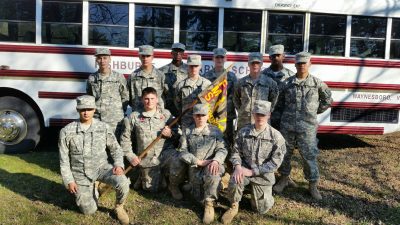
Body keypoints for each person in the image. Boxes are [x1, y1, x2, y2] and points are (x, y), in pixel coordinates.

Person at [58, 95, 130, 225]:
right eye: (82, 109)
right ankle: (94, 187)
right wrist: (69, 181)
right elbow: (64, 160)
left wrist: (119, 164)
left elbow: (116, 149)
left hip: (101, 168)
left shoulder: (103, 127)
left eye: (89, 109)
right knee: (89, 210)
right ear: (77, 110)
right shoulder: (66, 131)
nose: (86, 112)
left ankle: (119, 207)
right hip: (80, 173)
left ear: (94, 110)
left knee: (123, 182)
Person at [273, 52, 332, 200]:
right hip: (287, 126)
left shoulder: (317, 84)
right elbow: (278, 104)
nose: (302, 65)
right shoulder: (286, 84)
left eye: (304, 63)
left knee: (309, 156)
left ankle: (312, 185)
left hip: (307, 128)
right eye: (299, 63)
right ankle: (284, 178)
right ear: (295, 64)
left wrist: (313, 113)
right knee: (284, 154)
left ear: (310, 64)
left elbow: (327, 101)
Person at [221, 100, 286, 224]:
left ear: (269, 115)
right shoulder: (243, 132)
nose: (260, 117)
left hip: (263, 176)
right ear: (253, 114)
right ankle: (233, 207)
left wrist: (253, 172)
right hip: (244, 171)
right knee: (235, 178)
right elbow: (235, 152)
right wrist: (238, 166)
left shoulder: (276, 137)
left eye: (263, 114)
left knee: (260, 209)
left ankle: (266, 196)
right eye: (257, 114)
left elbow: (275, 163)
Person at [120, 87, 182, 197]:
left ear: (157, 99)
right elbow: (125, 140)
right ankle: (143, 176)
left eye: (152, 98)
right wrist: (131, 156)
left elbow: (178, 134)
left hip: (165, 153)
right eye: (146, 99)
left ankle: (173, 186)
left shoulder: (166, 115)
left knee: (179, 161)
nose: (150, 102)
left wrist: (171, 134)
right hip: (147, 156)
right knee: (152, 189)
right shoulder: (134, 117)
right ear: (142, 100)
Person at [177, 103, 228, 224]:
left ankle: (209, 204)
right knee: (197, 197)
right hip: (196, 166)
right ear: (194, 116)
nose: (200, 117)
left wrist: (216, 160)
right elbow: (182, 151)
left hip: (212, 165)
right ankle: (220, 184)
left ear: (207, 116)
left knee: (212, 174)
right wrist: (197, 162)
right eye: (197, 115)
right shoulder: (187, 131)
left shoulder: (215, 131)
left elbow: (223, 149)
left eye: (203, 115)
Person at [86, 48, 129, 138]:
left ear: (110, 59)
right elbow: (90, 97)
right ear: (96, 60)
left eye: (105, 58)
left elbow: (125, 97)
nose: (102, 61)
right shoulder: (92, 78)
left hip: (115, 120)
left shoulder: (118, 77)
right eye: (99, 58)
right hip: (97, 119)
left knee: (115, 148)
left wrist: (117, 111)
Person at [233, 52, 279, 130]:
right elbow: (236, 99)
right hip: (244, 122)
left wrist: (267, 111)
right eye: (252, 63)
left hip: (262, 121)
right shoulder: (241, 82)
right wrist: (243, 110)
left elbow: (274, 99)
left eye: (257, 63)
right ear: (248, 64)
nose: (255, 65)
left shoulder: (269, 82)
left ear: (261, 64)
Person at [202, 48, 237, 145]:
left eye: (222, 57)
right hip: (211, 115)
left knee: (227, 139)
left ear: (225, 59)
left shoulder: (231, 76)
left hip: (227, 115)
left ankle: (227, 158)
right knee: (210, 138)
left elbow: (236, 96)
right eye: (217, 57)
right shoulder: (206, 76)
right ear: (213, 59)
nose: (219, 60)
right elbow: (204, 97)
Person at [262, 44, 295, 128]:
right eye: (273, 56)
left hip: (284, 118)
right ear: (270, 58)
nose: (276, 58)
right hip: (267, 117)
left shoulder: (290, 76)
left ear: (283, 56)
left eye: (278, 55)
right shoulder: (263, 75)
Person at [174, 55, 211, 129]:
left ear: (200, 66)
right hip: (186, 122)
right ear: (187, 66)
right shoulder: (181, 85)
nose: (193, 68)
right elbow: (177, 104)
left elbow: (211, 103)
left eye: (196, 66)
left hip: (202, 122)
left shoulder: (207, 84)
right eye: (191, 66)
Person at [128, 45, 166, 110]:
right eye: (143, 56)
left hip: (157, 115)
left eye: (148, 56)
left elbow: (166, 96)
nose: (145, 59)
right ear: (139, 57)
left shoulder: (160, 75)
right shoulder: (133, 76)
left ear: (152, 57)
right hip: (138, 114)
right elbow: (129, 97)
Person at [159, 43, 188, 117]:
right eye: (175, 51)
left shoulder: (189, 70)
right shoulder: (162, 71)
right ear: (171, 53)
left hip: (185, 108)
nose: (178, 54)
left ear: (183, 53)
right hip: (168, 108)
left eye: (180, 51)